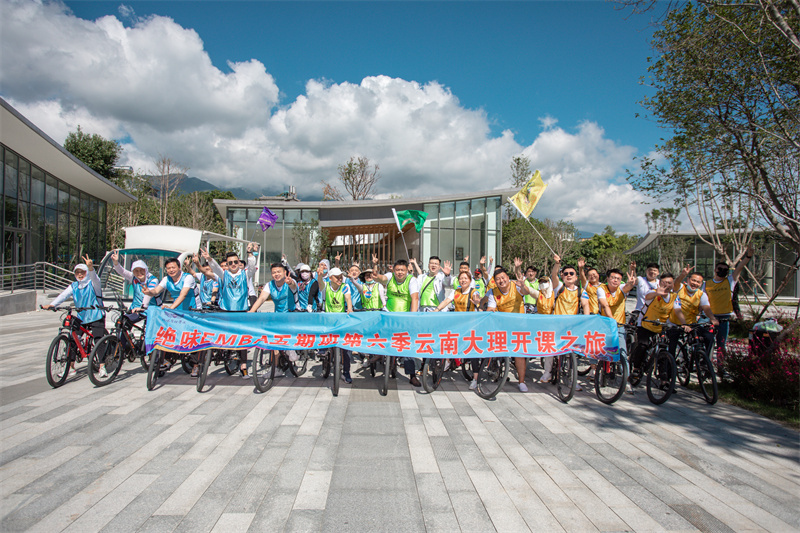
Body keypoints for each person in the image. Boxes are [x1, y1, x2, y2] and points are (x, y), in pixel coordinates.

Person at [43, 255, 107, 377]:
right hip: (82, 317)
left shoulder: (93, 284)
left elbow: (95, 279)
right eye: (77, 272)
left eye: (82, 272)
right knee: (72, 340)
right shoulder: (74, 286)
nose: (80, 274)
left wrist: (91, 268)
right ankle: (70, 367)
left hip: (96, 315)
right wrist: (52, 305)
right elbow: (63, 296)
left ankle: (102, 366)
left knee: (98, 339)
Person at [198, 249, 253, 377]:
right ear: (227, 265)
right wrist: (209, 258)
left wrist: (250, 254)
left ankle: (243, 365)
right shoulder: (224, 274)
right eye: (230, 263)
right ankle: (226, 355)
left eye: (235, 261)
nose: (233, 264)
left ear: (239, 262)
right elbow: (215, 268)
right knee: (226, 335)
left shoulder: (245, 274)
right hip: (226, 309)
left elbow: (251, 267)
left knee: (242, 338)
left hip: (241, 310)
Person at [143, 256, 199, 373]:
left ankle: (196, 365)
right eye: (168, 268)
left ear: (179, 268)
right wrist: (149, 292)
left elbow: (183, 295)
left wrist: (171, 308)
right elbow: (156, 290)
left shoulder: (187, 277)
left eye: (173, 267)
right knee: (169, 333)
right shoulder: (166, 279)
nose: (171, 270)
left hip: (192, 310)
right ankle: (167, 359)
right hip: (177, 309)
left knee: (192, 337)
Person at [630, 273, 690, 379]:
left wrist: (684, 324)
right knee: (643, 345)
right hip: (645, 323)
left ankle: (664, 378)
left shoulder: (674, 297)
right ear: (660, 283)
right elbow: (648, 296)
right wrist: (657, 293)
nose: (667, 285)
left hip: (660, 327)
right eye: (664, 282)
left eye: (669, 283)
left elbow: (678, 311)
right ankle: (636, 367)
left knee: (664, 350)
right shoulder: (653, 292)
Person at [373, 255, 422, 386]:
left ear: (407, 270)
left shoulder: (412, 280)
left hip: (405, 317)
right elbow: (380, 278)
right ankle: (378, 353)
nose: (400, 272)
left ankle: (412, 375)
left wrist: (412, 318)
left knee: (407, 345)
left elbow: (415, 299)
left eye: (403, 270)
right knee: (379, 333)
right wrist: (376, 272)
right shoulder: (390, 277)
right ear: (393, 270)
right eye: (397, 270)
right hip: (389, 314)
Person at [486, 266, 535, 391]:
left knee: (519, 354)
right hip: (502, 327)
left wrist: (523, 285)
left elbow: (525, 292)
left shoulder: (516, 286)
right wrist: (490, 311)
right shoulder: (493, 292)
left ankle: (521, 382)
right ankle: (494, 368)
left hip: (519, 327)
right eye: (498, 279)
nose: (501, 281)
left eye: (503, 277)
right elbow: (491, 307)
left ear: (507, 277)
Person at [249, 262, 299, 376]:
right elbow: (262, 298)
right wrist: (251, 311)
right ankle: (277, 368)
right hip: (278, 315)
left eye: (279, 272)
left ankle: (291, 348)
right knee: (273, 341)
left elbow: (293, 286)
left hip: (292, 314)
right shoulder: (270, 285)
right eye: (274, 272)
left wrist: (290, 282)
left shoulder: (290, 281)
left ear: (284, 272)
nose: (276, 274)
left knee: (285, 334)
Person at [436, 270, 483, 389]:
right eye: (461, 278)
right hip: (458, 324)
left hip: (471, 326)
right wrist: (437, 310)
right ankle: (447, 361)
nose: (463, 280)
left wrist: (477, 301)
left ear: (470, 280)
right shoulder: (455, 292)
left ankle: (475, 379)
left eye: (465, 278)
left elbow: (477, 298)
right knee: (448, 340)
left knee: (472, 353)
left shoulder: (473, 291)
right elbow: (446, 301)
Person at [597, 267, 637, 387]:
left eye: (618, 279)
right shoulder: (601, 289)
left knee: (623, 353)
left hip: (619, 326)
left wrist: (630, 283)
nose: (615, 280)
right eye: (613, 278)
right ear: (608, 279)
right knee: (603, 351)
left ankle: (627, 381)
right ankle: (601, 372)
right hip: (605, 324)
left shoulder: (622, 288)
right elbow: (604, 305)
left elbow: (626, 288)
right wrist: (611, 319)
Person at [667, 266, 718, 357]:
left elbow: (706, 308)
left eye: (698, 282)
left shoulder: (701, 294)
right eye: (693, 280)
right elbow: (676, 284)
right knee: (672, 346)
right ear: (688, 280)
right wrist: (682, 275)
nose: (695, 283)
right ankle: (670, 368)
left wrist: (713, 318)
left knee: (709, 337)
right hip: (675, 323)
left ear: (701, 284)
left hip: (691, 324)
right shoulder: (680, 288)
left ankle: (704, 363)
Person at [317, 266, 354, 383]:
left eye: (341, 276)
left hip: (341, 320)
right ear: (330, 278)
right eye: (337, 277)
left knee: (346, 349)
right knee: (323, 335)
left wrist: (349, 308)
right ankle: (323, 351)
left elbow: (348, 299)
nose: (339, 278)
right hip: (328, 320)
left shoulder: (344, 286)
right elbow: (320, 283)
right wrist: (319, 275)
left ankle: (346, 372)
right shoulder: (326, 286)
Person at [110, 250, 160, 321]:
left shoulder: (153, 280)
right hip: (134, 310)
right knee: (121, 322)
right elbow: (122, 271)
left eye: (141, 270)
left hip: (149, 311)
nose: (139, 273)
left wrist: (142, 308)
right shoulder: (133, 277)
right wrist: (116, 263)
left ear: (146, 270)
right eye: (136, 270)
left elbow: (148, 296)